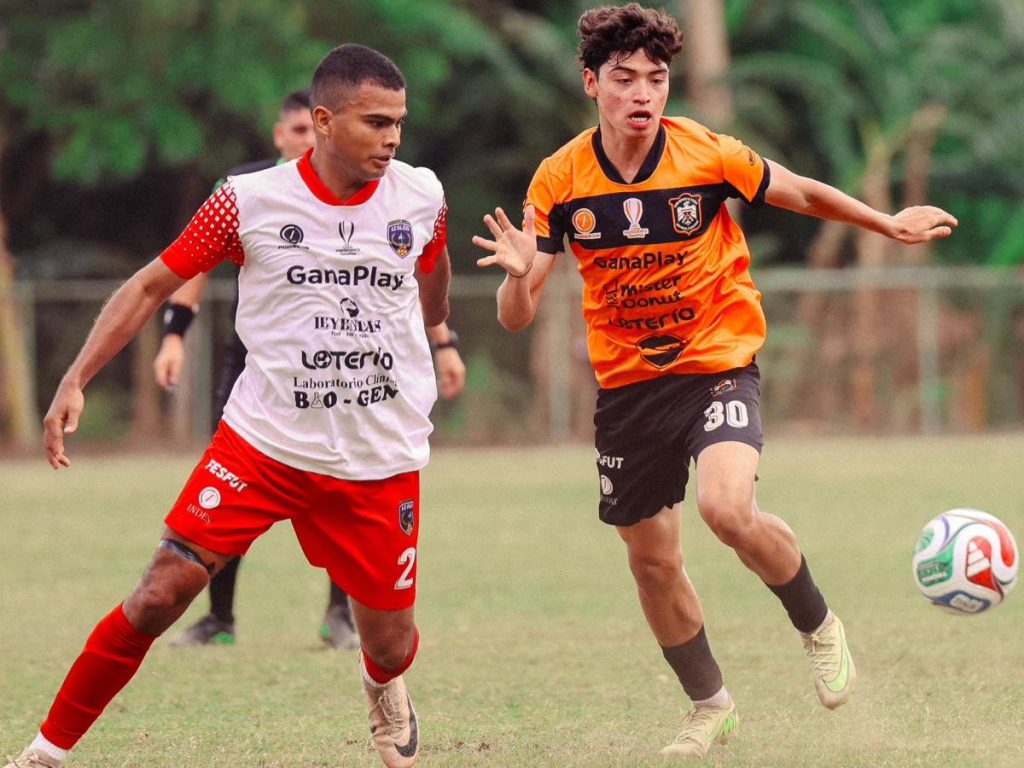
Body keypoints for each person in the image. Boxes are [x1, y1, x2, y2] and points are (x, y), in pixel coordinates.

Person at [473, 3, 957, 759]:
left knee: (727, 509)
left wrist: (887, 223)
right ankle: (710, 705)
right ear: (590, 81)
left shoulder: (706, 153)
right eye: (625, 78)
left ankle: (818, 623)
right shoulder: (559, 179)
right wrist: (514, 277)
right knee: (651, 559)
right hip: (628, 387)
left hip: (718, 361)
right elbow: (516, 314)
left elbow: (798, 191)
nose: (642, 93)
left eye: (657, 79)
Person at [10, 43, 447, 768]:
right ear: (325, 120)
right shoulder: (248, 202)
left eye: (399, 122)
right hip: (264, 445)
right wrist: (76, 376)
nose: (393, 137)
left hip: (379, 454)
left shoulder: (422, 194)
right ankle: (46, 751)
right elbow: (152, 284)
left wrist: (442, 327)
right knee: (158, 594)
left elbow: (431, 267)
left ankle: (383, 687)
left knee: (390, 643)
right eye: (376, 122)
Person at [152, 91, 466, 651]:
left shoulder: (380, 192)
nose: (304, 139)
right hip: (258, 373)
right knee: (232, 498)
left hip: (352, 378)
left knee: (347, 483)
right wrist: (174, 334)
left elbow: (406, 280)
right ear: (283, 134)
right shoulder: (247, 191)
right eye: (295, 129)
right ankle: (220, 619)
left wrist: (444, 344)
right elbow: (189, 269)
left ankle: (339, 616)